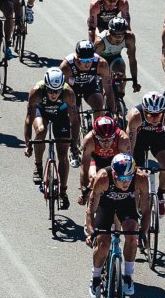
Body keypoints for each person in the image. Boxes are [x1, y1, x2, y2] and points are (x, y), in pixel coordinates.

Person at [86, 150, 141, 298]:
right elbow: (90, 209)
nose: (126, 182)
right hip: (105, 205)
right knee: (103, 243)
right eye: (121, 178)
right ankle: (95, 277)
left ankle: (128, 276)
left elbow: (144, 209)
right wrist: (91, 232)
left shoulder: (140, 178)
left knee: (132, 237)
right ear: (114, 174)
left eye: (129, 177)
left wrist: (143, 233)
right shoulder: (102, 178)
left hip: (126, 206)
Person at [127, 89, 165, 221]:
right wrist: (129, 170)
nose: (154, 118)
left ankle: (160, 195)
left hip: (157, 138)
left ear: (163, 111)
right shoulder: (135, 116)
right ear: (144, 111)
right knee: (136, 175)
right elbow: (129, 148)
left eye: (158, 115)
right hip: (138, 140)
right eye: (150, 115)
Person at [23, 66, 72, 207]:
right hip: (42, 112)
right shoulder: (36, 92)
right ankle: (38, 166)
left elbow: (75, 120)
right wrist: (28, 144)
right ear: (45, 86)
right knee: (41, 131)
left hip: (60, 114)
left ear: (61, 88)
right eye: (50, 90)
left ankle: (63, 191)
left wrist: (74, 144)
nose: (53, 94)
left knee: (63, 153)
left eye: (57, 91)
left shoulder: (68, 93)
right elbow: (28, 119)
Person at [87, 0, 138, 87]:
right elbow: (92, 28)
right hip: (99, 25)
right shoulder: (96, 4)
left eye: (115, 1)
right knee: (99, 42)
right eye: (109, 1)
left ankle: (119, 90)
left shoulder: (123, 2)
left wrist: (128, 41)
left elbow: (127, 25)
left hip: (115, 25)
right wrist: (92, 49)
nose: (112, 4)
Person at [76, 110, 126, 208]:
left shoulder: (123, 139)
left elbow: (128, 164)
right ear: (95, 136)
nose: (106, 144)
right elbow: (84, 167)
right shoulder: (89, 140)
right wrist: (84, 191)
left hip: (115, 162)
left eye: (110, 139)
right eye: (102, 140)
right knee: (93, 177)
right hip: (96, 160)